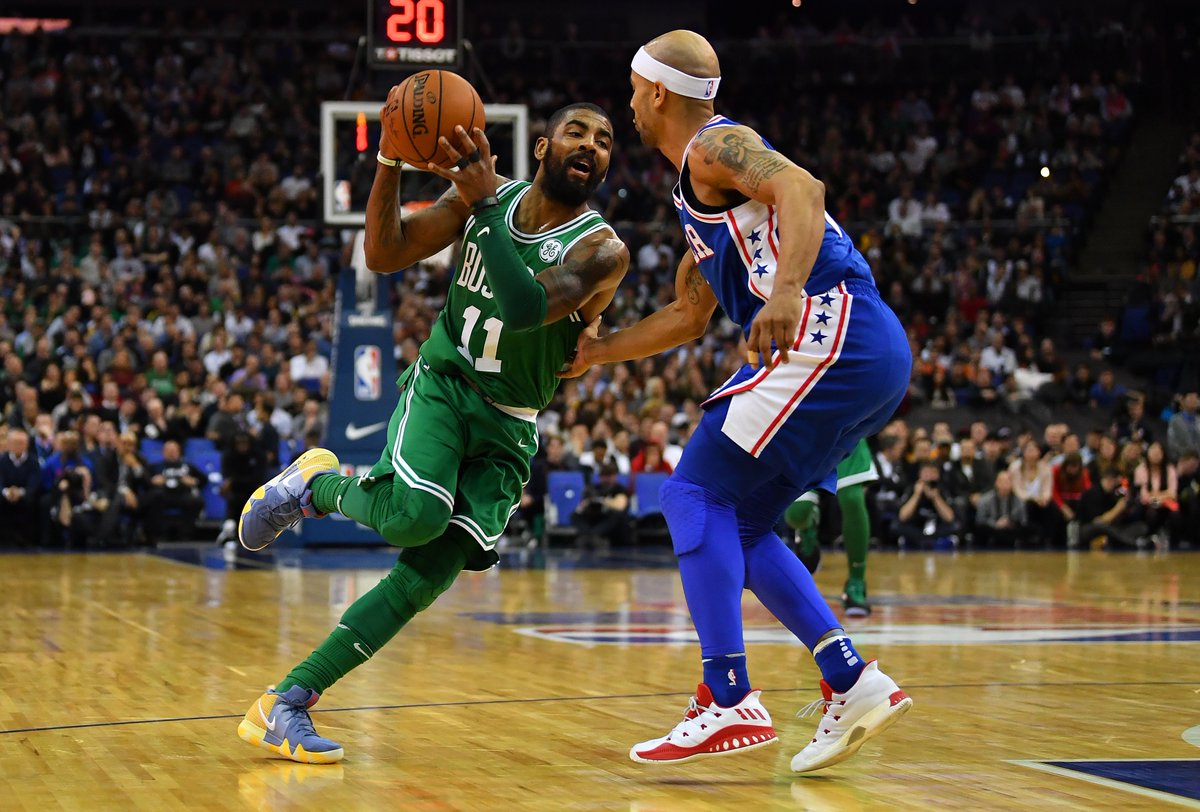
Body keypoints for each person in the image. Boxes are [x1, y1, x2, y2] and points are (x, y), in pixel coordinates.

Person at [234, 100, 630, 764]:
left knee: (423, 579)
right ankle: (317, 487)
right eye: (576, 132)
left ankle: (287, 702)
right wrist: (390, 159)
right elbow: (384, 252)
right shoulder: (485, 200)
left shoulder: (602, 248)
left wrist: (480, 210)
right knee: (414, 515)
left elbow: (527, 307)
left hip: (511, 425)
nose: (591, 145)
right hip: (448, 385)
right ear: (542, 146)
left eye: (605, 139)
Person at [562, 31, 911, 772]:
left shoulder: (717, 147)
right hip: (861, 348)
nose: (628, 103)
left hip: (832, 322)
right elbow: (689, 317)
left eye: (632, 89)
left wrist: (785, 292)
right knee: (743, 524)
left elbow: (804, 189)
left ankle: (727, 696)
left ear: (656, 92)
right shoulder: (701, 194)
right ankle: (851, 680)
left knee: (691, 492)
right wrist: (596, 351)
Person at [784, 438, 878, 616]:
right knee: (796, 513)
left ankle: (856, 582)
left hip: (847, 425)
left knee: (852, 498)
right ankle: (807, 528)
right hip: (807, 431)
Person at [893, 461, 960, 547]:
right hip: (916, 528)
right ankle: (924, 541)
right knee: (896, 526)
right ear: (920, 474)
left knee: (956, 526)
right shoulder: (911, 489)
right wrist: (916, 495)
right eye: (926, 473)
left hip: (937, 528)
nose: (929, 476)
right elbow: (903, 516)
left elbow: (949, 518)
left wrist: (936, 498)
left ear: (938, 475)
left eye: (933, 473)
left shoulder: (943, 489)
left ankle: (929, 541)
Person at [572, 461, 630, 549]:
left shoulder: (620, 489)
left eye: (609, 476)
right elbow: (580, 507)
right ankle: (589, 535)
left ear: (615, 476)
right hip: (597, 517)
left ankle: (594, 534)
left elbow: (620, 506)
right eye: (604, 476)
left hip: (610, 519)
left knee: (616, 516)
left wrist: (602, 501)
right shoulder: (594, 489)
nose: (607, 479)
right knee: (575, 515)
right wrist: (587, 503)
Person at [975, 470, 1027, 547]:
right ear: (996, 483)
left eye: (1008, 481)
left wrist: (1009, 522)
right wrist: (995, 524)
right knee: (982, 529)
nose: (1005, 485)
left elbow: (1023, 520)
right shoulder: (985, 499)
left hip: (1010, 530)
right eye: (1002, 481)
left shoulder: (1018, 501)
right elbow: (980, 519)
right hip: (992, 530)